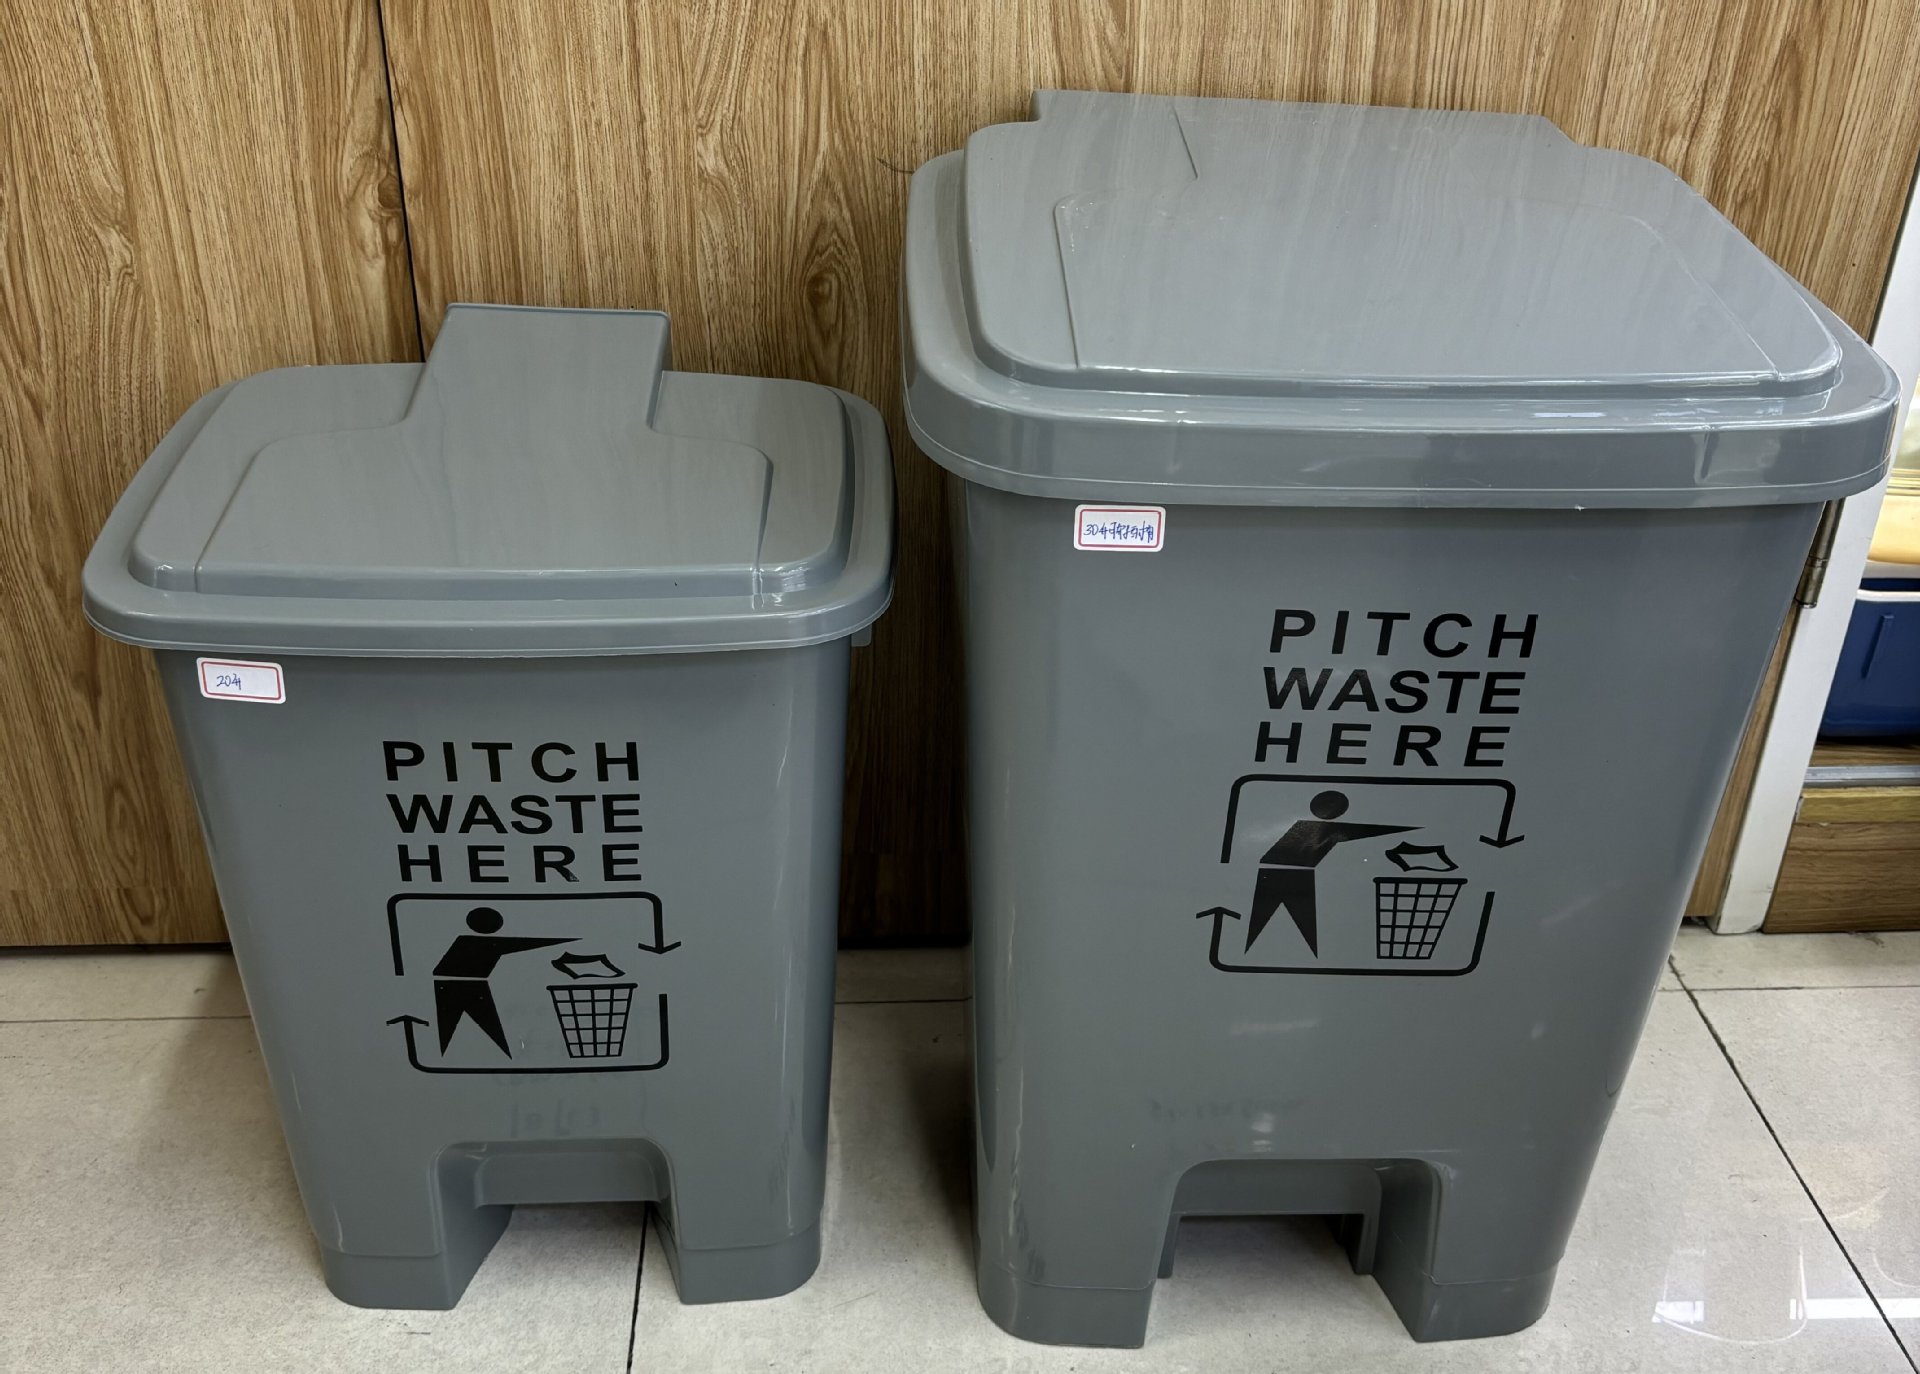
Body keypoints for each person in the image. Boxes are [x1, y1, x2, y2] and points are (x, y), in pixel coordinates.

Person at [1248, 791, 1416, 954]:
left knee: (1284, 933)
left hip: (1284, 875)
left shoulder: (1307, 830)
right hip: (1282, 877)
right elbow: (1342, 833)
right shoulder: (1307, 831)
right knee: (1273, 931)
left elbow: (1339, 835)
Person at [431, 907, 575, 1056]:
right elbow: (514, 944)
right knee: (457, 1030)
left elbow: (511, 944)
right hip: (455, 986)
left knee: (486, 1030)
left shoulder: (467, 942)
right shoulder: (470, 943)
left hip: (463, 985)